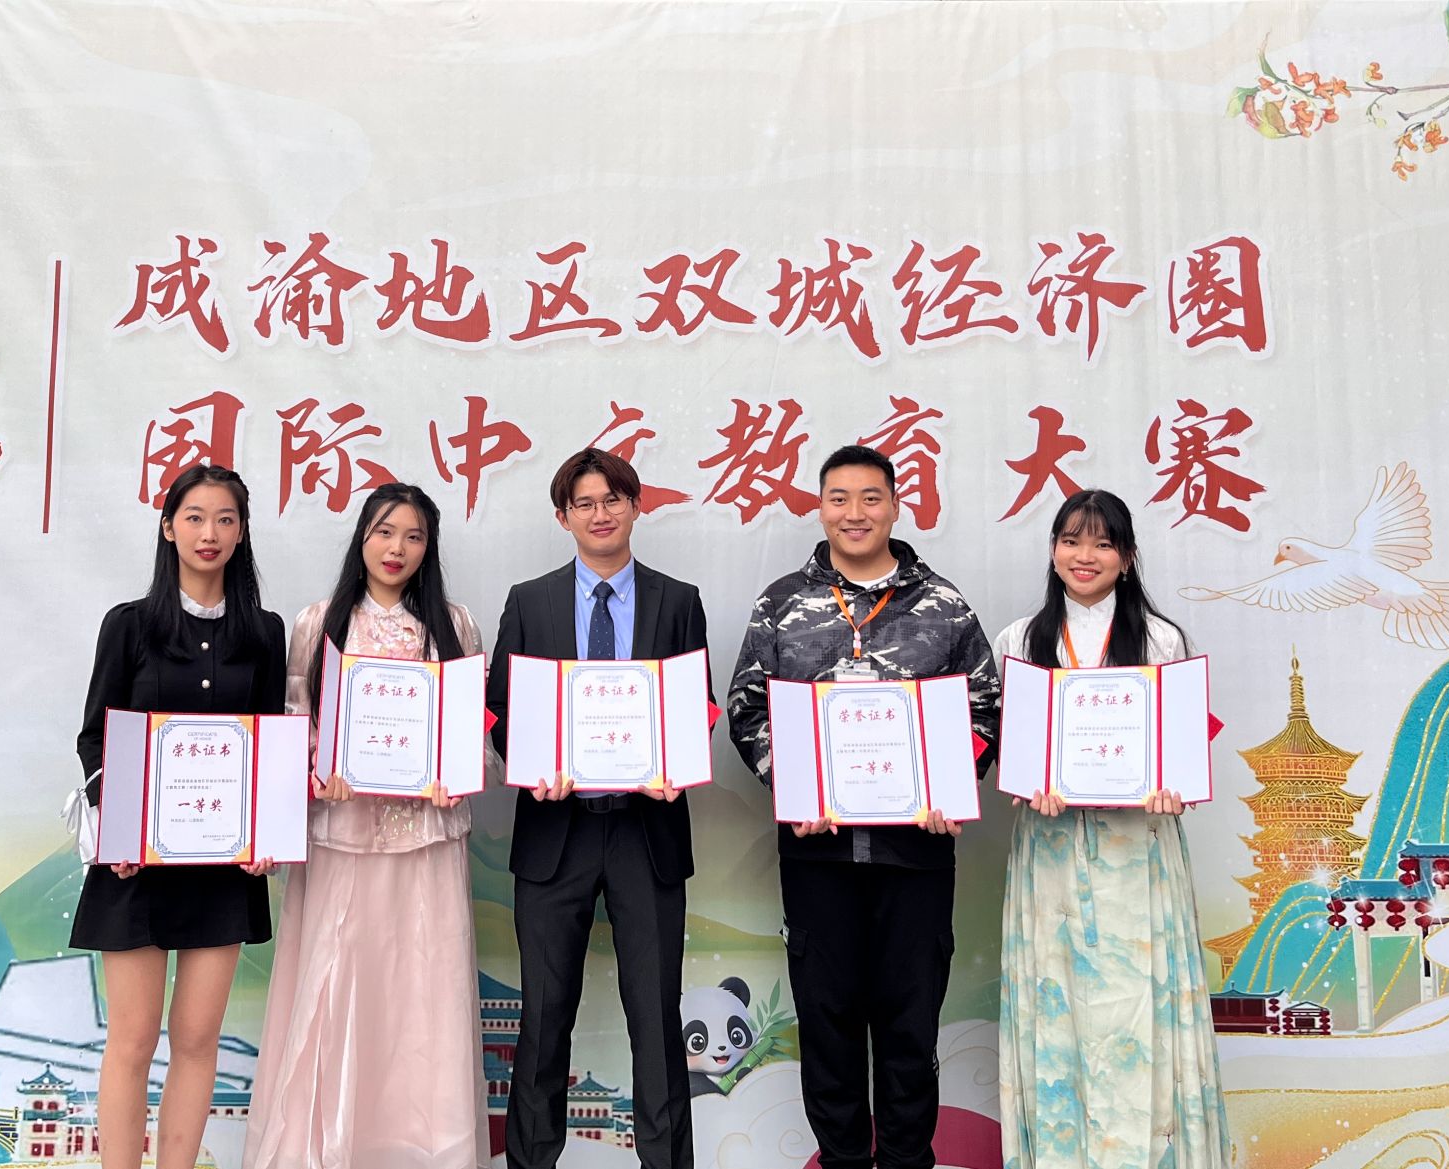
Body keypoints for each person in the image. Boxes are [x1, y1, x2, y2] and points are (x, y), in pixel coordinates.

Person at [726, 444, 999, 1169]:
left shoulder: (943, 604)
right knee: (829, 1026)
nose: (855, 513)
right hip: (817, 852)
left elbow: (985, 709)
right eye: (839, 498)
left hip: (915, 855)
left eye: (871, 498)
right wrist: (792, 783)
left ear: (896, 506)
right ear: (820, 508)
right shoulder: (782, 603)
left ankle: (908, 1161)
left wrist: (951, 785)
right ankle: (843, 1161)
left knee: (911, 1029)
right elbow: (746, 708)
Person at [245, 482, 493, 1169]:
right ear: (362, 538)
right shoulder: (319, 623)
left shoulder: (456, 625)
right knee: (336, 985)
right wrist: (318, 769)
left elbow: (473, 733)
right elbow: (295, 722)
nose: (397, 549)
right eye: (385, 532)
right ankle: (324, 1149)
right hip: (342, 835)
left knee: (423, 992)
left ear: (429, 548)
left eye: (413, 536)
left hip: (427, 840)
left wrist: (455, 772)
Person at [991, 489, 1231, 1169]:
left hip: (1138, 848)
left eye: (1102, 543)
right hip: (1051, 848)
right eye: (1071, 540)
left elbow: (1180, 751)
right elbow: (1008, 748)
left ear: (1127, 557)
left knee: (1142, 1002)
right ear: (1053, 550)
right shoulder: (1019, 640)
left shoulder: (1161, 639)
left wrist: (1172, 787)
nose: (1085, 555)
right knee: (1056, 1004)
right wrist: (1026, 781)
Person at [488, 447, 708, 1169]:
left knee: (658, 1018)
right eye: (584, 503)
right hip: (556, 833)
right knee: (543, 1021)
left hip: (648, 833)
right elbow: (499, 710)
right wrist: (530, 767)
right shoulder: (530, 601)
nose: (601, 513)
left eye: (613, 499)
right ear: (564, 518)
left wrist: (677, 764)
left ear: (636, 507)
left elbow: (698, 704)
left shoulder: (678, 600)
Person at [70, 464, 285, 1169]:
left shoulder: (264, 632)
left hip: (222, 867)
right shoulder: (129, 625)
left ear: (242, 532)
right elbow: (96, 738)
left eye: (225, 518)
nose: (208, 532)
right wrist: (117, 825)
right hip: (135, 864)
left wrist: (266, 831)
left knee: (197, 1040)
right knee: (132, 1040)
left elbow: (271, 744)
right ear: (168, 528)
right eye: (194, 517)